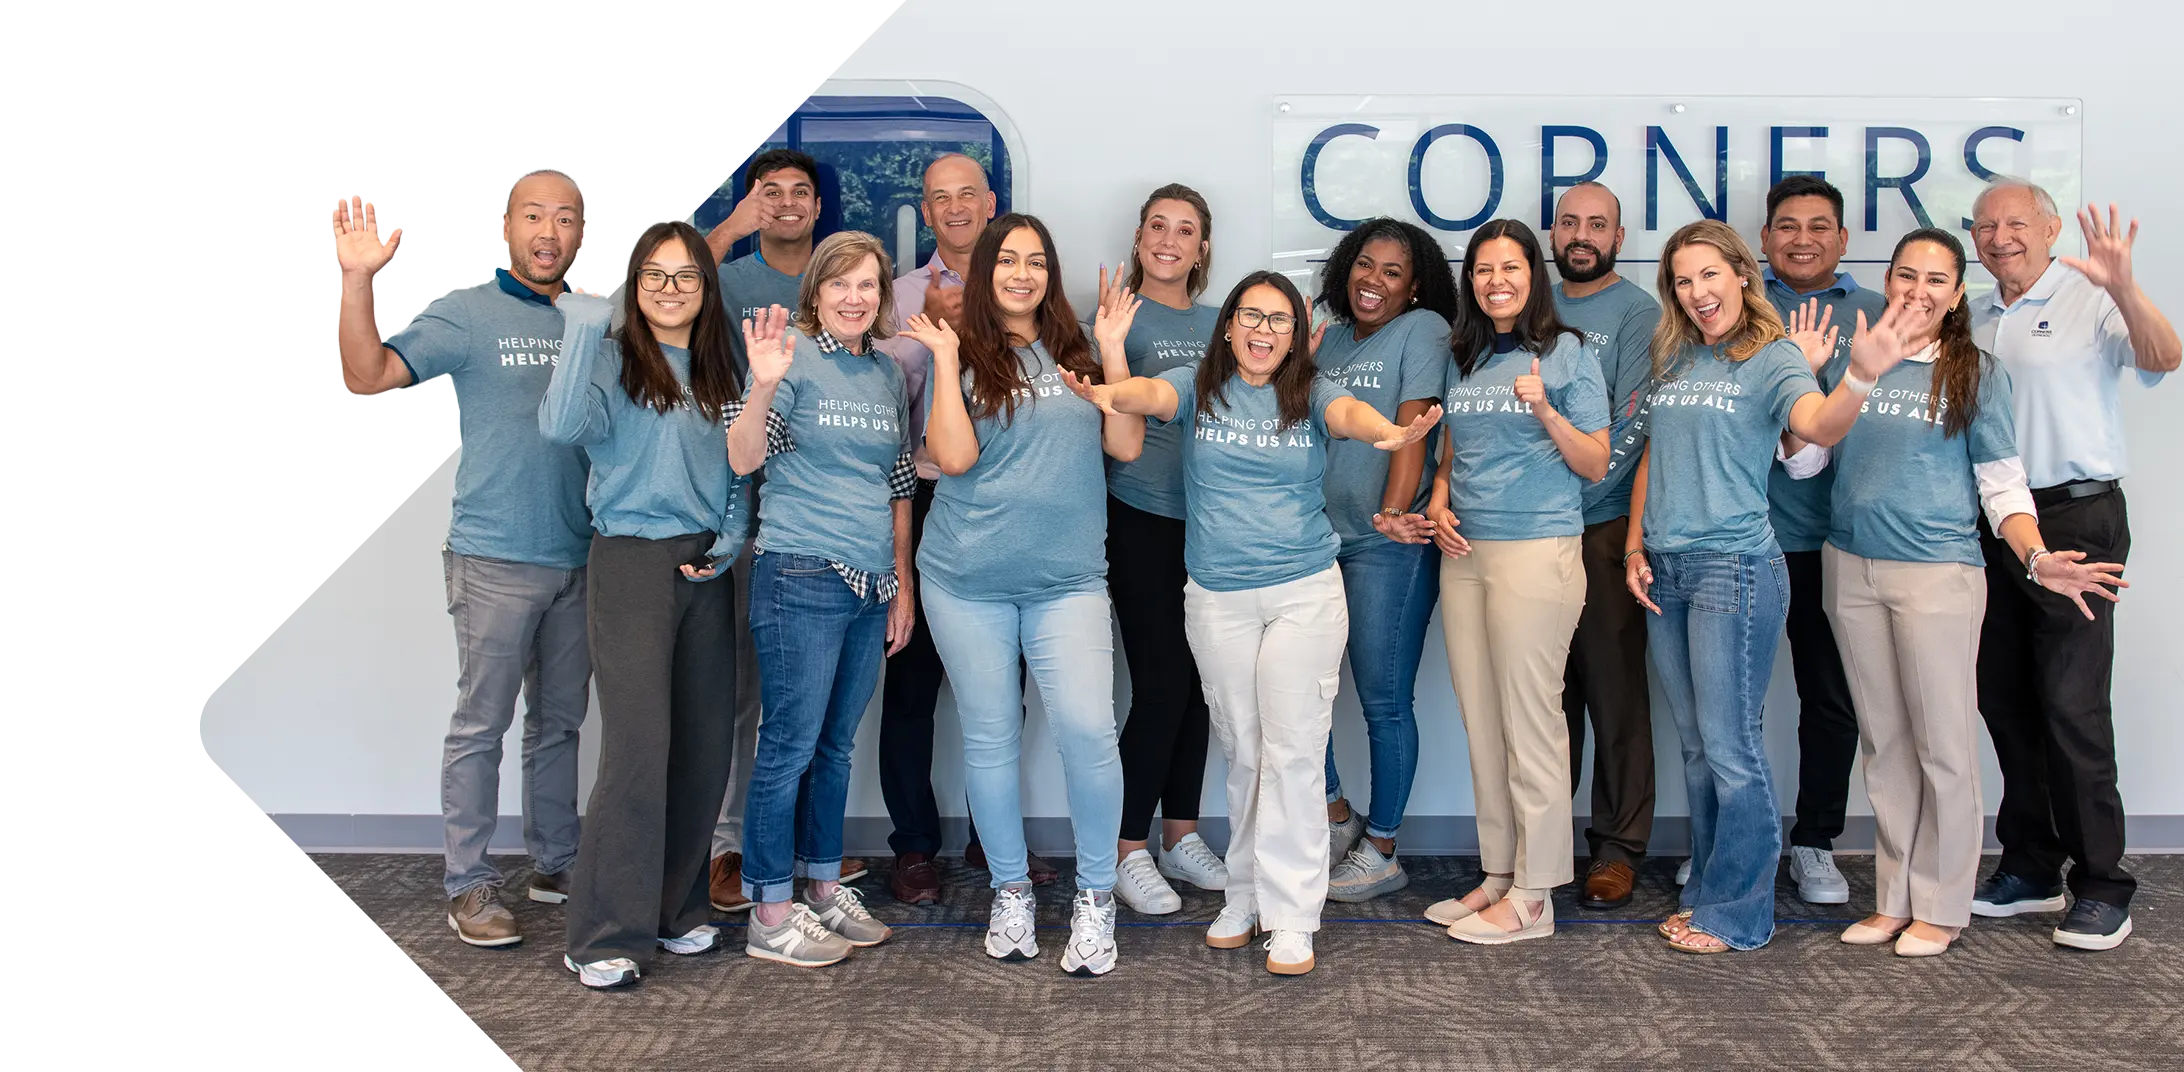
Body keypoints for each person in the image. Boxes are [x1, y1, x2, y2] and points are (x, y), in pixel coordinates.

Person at [1063, 271, 1440, 976]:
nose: (1264, 331)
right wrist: (1109, 391)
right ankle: (1244, 895)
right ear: (1230, 326)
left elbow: (1351, 415)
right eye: (1251, 317)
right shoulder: (1198, 385)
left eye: (1279, 320)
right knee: (1244, 751)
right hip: (1218, 599)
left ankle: (1293, 915)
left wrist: (1390, 434)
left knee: (1294, 753)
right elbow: (1148, 397)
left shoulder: (1311, 391)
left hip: (1302, 593)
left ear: (1297, 336)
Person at [1786, 228, 2126, 958]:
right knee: (1885, 746)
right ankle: (1894, 898)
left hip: (1938, 574)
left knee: (1943, 746)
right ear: (1888, 280)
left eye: (1936, 280)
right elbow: (1808, 463)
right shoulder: (1856, 355)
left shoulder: (1975, 371)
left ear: (1954, 294)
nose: (1918, 290)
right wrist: (1828, 379)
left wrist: (2036, 559)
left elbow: (2001, 484)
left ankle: (1941, 905)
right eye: (1907, 276)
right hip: (1852, 569)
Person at [1624, 219, 1909, 954]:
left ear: (1741, 275)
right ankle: (1709, 889)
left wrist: (1860, 374)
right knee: (1695, 745)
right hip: (1668, 567)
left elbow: (1816, 426)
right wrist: (1634, 545)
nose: (1697, 292)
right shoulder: (1677, 351)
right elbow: (1656, 454)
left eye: (1709, 276)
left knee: (1731, 748)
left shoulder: (1772, 354)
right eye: (1683, 280)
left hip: (1736, 569)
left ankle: (1740, 913)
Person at [330, 172, 592, 948]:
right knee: (483, 724)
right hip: (494, 559)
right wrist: (356, 281)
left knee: (561, 725)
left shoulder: (595, 318)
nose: (549, 231)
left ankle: (557, 862)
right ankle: (471, 883)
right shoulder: (467, 313)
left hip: (583, 556)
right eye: (534, 215)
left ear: (583, 232)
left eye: (566, 218)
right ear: (507, 225)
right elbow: (366, 374)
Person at [898, 212, 1141, 976]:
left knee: (1088, 732)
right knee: (991, 737)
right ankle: (1010, 891)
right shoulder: (960, 350)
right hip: (966, 579)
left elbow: (1126, 445)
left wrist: (1109, 350)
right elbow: (955, 458)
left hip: (1066, 580)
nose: (1022, 274)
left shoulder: (1076, 350)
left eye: (1036, 261)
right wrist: (943, 362)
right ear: (986, 272)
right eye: (1008, 260)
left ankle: (1096, 900)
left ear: (1050, 273)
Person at [1966, 179, 2178, 950]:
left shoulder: (2091, 294)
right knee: (2005, 698)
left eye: (2016, 223)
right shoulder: (1975, 312)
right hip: (1995, 522)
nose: (1999, 237)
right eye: (1985, 225)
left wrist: (2123, 284)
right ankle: (2029, 863)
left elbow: (2165, 356)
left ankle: (2101, 883)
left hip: (2077, 517)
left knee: (2072, 703)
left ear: (2050, 228)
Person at [540, 221, 751, 989]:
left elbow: (738, 465)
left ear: (706, 287)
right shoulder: (608, 356)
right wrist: (582, 326)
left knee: (700, 744)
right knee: (636, 748)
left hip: (707, 560)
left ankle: (676, 909)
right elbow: (560, 427)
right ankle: (603, 934)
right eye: (655, 276)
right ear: (634, 284)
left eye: (686, 276)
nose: (670, 289)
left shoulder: (718, 364)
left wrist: (731, 536)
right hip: (629, 559)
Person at [727, 231, 917, 967]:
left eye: (868, 285)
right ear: (817, 291)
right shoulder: (793, 358)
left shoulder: (883, 373)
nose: (854, 297)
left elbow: (899, 483)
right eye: (840, 284)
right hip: (801, 575)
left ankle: (823, 888)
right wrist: (765, 382)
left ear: (882, 296)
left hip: (870, 584)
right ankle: (770, 913)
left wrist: (900, 583)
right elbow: (744, 457)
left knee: (835, 749)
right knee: (788, 749)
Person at [872, 154, 1057, 901]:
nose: (954, 208)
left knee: (1000, 691)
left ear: (989, 204)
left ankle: (993, 837)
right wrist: (928, 345)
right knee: (911, 682)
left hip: (1004, 506)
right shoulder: (895, 298)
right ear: (926, 209)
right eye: (938, 198)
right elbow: (875, 397)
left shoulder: (1023, 290)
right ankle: (913, 847)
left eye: (966, 195)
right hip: (918, 499)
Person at [1421, 219, 1608, 944]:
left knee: (1532, 724)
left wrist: (1543, 407)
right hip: (1465, 553)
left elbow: (1594, 462)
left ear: (1535, 274)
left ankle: (1535, 895)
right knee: (1484, 722)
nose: (1496, 281)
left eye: (1511, 268)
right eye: (1484, 270)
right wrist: (1437, 504)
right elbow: (1448, 455)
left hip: (1537, 552)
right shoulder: (1461, 355)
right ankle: (1500, 871)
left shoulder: (1566, 353)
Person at [701, 147, 866, 911]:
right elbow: (661, 288)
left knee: (814, 716)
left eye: (802, 191)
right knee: (748, 698)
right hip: (749, 515)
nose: (788, 203)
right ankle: (732, 850)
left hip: (830, 534)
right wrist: (732, 224)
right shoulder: (730, 280)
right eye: (773, 192)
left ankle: (807, 854)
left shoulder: (851, 336)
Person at [1313, 217, 1459, 904]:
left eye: (1392, 272)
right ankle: (1338, 813)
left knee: (1382, 700)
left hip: (1385, 546)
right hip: (1315, 541)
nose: (1373, 280)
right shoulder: (1331, 336)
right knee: (1303, 691)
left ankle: (1385, 846)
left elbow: (1415, 426)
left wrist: (1396, 514)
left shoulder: (1424, 329)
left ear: (1415, 286)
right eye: (1364, 265)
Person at [1755, 176, 1888, 905]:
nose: (1801, 238)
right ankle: (1731, 838)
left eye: (1818, 225)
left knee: (1829, 698)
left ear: (1842, 239)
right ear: (1766, 238)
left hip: (1831, 542)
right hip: (1738, 539)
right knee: (1728, 704)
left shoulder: (1877, 315)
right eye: (1786, 225)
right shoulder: (1736, 310)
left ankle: (1815, 841)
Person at [1099, 184, 1230, 916]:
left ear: (1203, 247)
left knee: (1203, 684)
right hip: (1140, 516)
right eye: (1158, 226)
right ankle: (1126, 849)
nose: (1170, 240)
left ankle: (1181, 836)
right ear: (1141, 236)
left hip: (1211, 523)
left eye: (1186, 230)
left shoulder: (1221, 323)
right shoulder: (1115, 318)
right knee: (1160, 686)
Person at [1547, 181, 1664, 909]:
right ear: (1552, 233)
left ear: (1619, 237)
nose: (1581, 235)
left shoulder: (1638, 313)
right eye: (1569, 223)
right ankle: (1543, 843)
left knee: (1614, 695)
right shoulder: (1531, 304)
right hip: (1528, 533)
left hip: (1602, 525)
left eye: (1597, 224)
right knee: (1543, 698)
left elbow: (1630, 425)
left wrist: (1574, 496)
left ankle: (1617, 850)